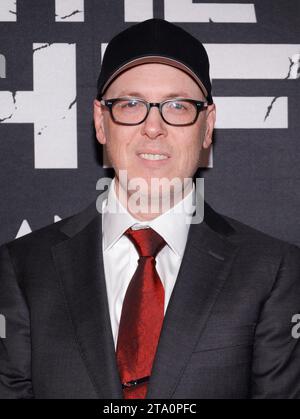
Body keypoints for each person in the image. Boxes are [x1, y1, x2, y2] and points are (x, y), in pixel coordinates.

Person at [0, 18, 300, 400]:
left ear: (207, 126)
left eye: (177, 106)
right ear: (100, 122)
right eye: (131, 104)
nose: (153, 127)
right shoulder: (22, 269)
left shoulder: (274, 270)